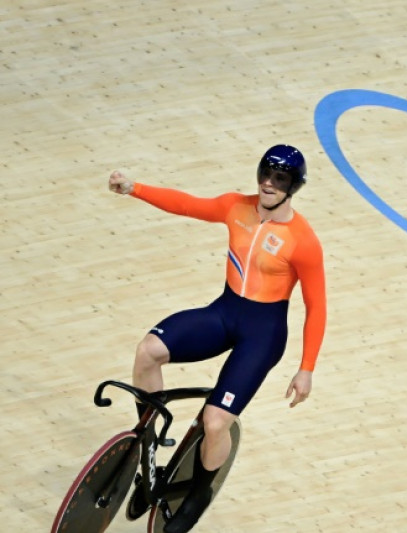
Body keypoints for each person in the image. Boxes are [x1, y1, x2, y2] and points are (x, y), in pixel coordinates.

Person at [107, 145, 327, 533]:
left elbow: (317, 306)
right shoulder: (235, 207)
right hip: (224, 313)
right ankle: (150, 450)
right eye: (265, 174)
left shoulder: (303, 240)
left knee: (214, 422)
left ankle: (199, 493)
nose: (268, 184)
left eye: (280, 179)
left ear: (293, 187)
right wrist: (133, 188)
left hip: (263, 334)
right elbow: (187, 205)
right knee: (148, 351)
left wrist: (306, 368)